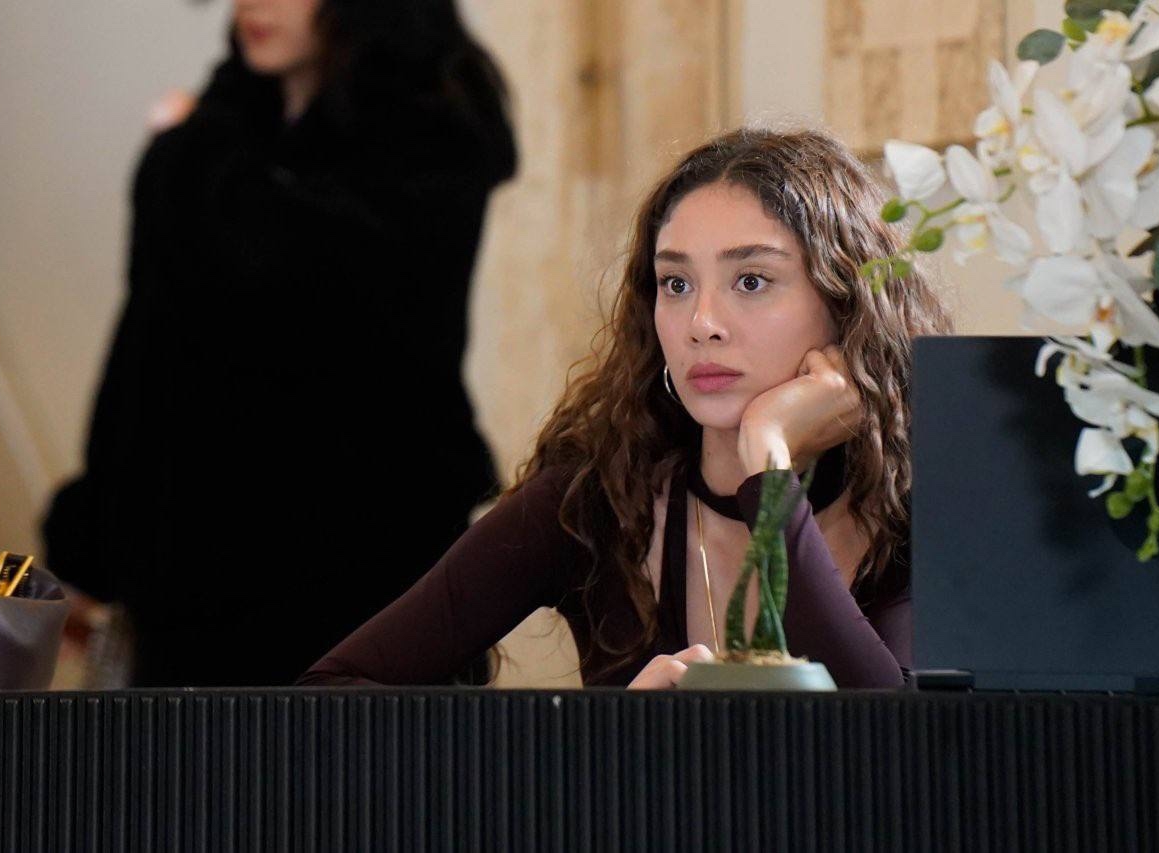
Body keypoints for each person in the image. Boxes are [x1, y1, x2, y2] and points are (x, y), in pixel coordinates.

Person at [299, 128, 953, 689]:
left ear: (846, 304)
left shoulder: (918, 508)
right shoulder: (596, 500)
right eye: (676, 283)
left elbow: (907, 756)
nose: (701, 323)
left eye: (751, 280)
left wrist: (769, 461)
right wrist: (603, 743)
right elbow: (329, 694)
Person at [41, 0, 516, 686]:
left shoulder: (430, 125)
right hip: (195, 584)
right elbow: (147, 350)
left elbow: (300, 278)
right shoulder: (223, 127)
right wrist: (91, 544)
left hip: (369, 577)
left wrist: (190, 151)